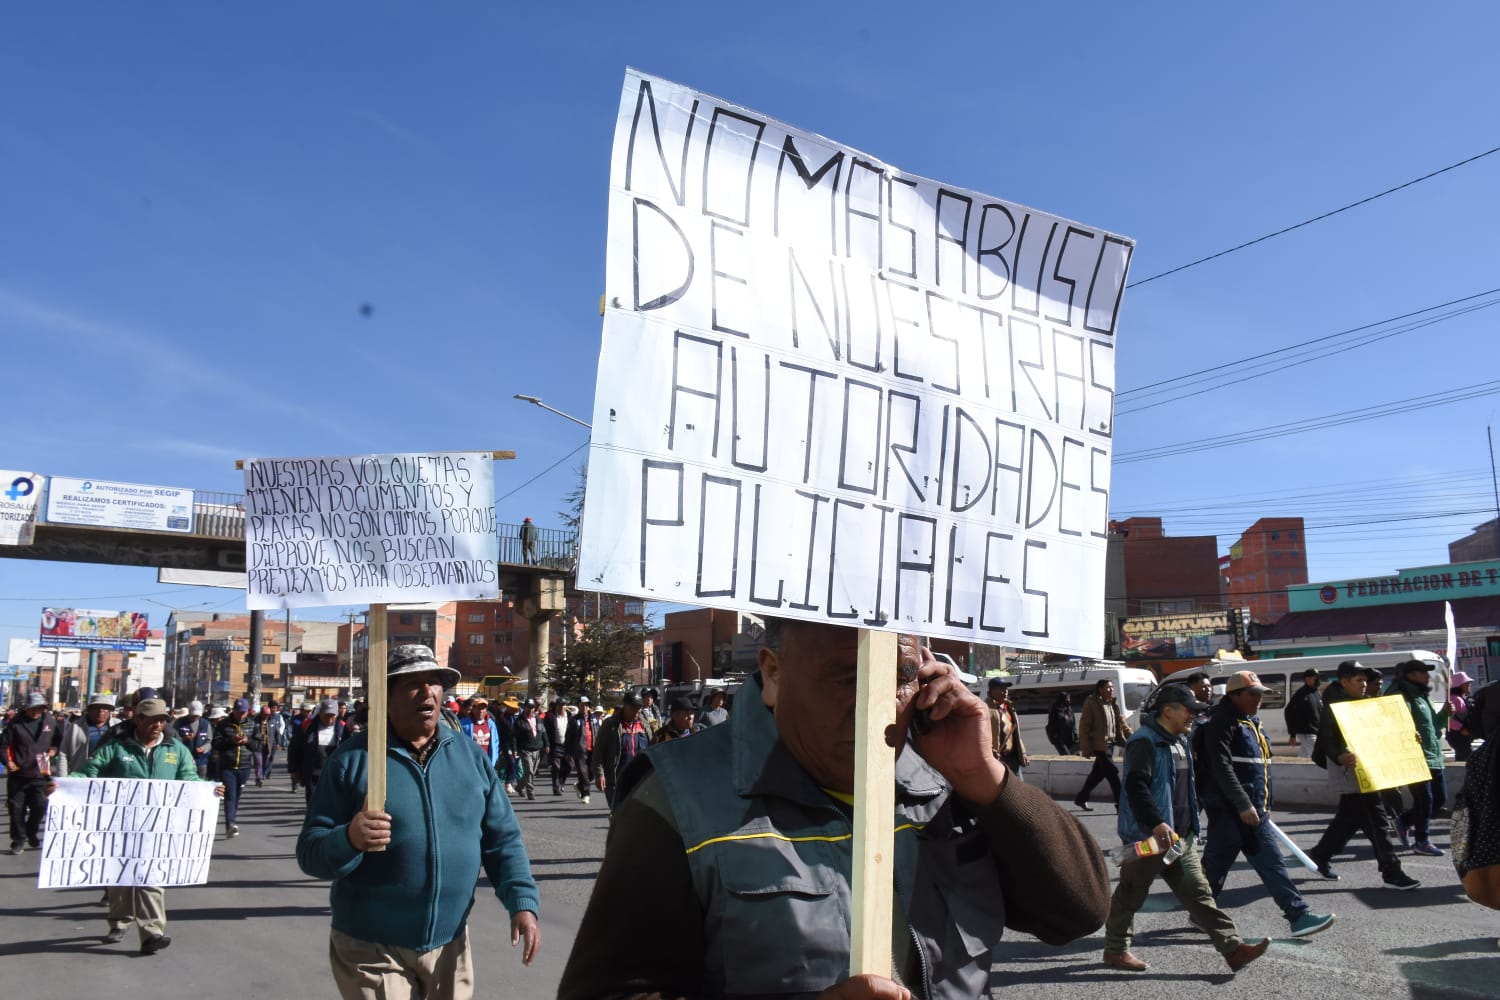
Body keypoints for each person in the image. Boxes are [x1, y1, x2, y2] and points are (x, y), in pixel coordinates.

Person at [558, 619, 1110, 998]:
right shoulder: (676, 800)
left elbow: (1079, 911)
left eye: (895, 677)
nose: (876, 704)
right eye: (849, 677)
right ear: (773, 674)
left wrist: (986, 778)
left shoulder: (946, 779)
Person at [297, 644, 540, 998]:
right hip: (372, 946)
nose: (428, 692)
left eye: (435, 682)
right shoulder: (353, 761)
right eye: (413, 683)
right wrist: (348, 838)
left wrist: (522, 902)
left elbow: (502, 840)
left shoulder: (470, 757)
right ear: (386, 696)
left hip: (450, 943)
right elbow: (310, 852)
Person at [1102, 684, 1270, 974]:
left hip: (1181, 839)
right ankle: (1115, 950)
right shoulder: (1144, 742)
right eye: (1189, 710)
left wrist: (1191, 826)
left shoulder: (1180, 741)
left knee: (1199, 893)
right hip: (1151, 839)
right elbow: (1136, 786)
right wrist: (1156, 823)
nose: (1194, 715)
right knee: (1131, 893)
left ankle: (1233, 949)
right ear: (1168, 711)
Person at [68, 697, 221, 954]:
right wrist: (65, 785)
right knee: (120, 879)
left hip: (157, 828)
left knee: (151, 877)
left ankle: (152, 932)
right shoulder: (117, 748)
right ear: (138, 720)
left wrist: (210, 790)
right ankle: (119, 920)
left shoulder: (175, 750)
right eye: (151, 720)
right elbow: (89, 771)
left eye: (162, 720)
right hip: (119, 826)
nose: (157, 725)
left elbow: (190, 780)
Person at [1196, 671, 1335, 938]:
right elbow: (1221, 767)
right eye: (1253, 694)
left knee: (1272, 864)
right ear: (1234, 695)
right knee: (1214, 869)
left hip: (1254, 813)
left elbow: (1259, 770)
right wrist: (1242, 804)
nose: (1259, 699)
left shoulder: (1251, 721)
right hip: (1229, 812)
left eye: (1260, 695)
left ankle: (1299, 916)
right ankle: (1200, 912)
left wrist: (1263, 804)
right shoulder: (1221, 723)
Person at [1306, 660, 1421, 889]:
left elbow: (1386, 732)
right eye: (1359, 680)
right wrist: (1339, 756)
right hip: (1351, 772)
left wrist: (1409, 737)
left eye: (1365, 680)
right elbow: (1327, 739)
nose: (1364, 684)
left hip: (1369, 769)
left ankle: (1320, 855)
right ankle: (1391, 871)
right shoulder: (1334, 705)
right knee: (1376, 819)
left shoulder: (1368, 703)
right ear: (1344, 681)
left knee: (1348, 820)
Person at [1385, 659, 1447, 856]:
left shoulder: (1423, 696)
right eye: (1423, 672)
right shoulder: (1400, 695)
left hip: (1433, 754)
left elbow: (1434, 727)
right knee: (1424, 799)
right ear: (1410, 675)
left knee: (1439, 799)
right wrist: (1406, 734)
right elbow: (1394, 723)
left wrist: (1445, 713)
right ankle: (1422, 840)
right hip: (1413, 755)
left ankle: (1404, 821)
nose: (1427, 676)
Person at [2, 692, 61, 854]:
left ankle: (31, 831)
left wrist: (53, 750)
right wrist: (8, 762)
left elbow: (57, 740)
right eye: (33, 708)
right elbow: (2, 746)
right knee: (16, 809)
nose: (36, 712)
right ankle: (18, 839)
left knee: (40, 806)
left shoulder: (50, 721)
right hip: (19, 774)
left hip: (41, 773)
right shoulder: (15, 724)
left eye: (40, 708)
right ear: (26, 709)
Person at [1075, 678, 1131, 810]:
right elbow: (1084, 726)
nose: (1111, 690)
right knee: (1113, 774)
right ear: (1100, 689)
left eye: (1112, 687)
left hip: (1110, 745)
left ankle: (1081, 798)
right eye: (1108, 687)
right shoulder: (1091, 703)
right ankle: (1121, 805)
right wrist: (1086, 748)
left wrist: (1131, 738)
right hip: (1100, 746)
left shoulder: (1112, 703)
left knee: (1097, 775)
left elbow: (1121, 724)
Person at [212, 697, 263, 838]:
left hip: (245, 766)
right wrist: (231, 741)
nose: (241, 715)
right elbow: (216, 744)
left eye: (244, 712)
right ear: (233, 710)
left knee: (237, 796)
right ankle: (230, 824)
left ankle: (232, 820)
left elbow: (258, 745)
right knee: (230, 795)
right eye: (238, 712)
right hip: (227, 765)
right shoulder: (223, 725)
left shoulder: (252, 725)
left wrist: (247, 741)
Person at [592, 690, 649, 810]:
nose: (637, 711)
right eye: (634, 707)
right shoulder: (611, 725)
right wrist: (599, 774)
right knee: (619, 814)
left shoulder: (645, 725)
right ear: (625, 706)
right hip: (617, 780)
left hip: (640, 780)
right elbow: (598, 751)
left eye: (639, 707)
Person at [287, 699, 348, 803]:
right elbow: (294, 748)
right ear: (320, 714)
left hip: (335, 775)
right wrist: (294, 770)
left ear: (337, 715)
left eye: (332, 716)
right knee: (313, 803)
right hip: (313, 775)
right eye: (326, 716)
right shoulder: (307, 727)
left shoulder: (343, 728)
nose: (329, 720)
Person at [987, 677, 1028, 778]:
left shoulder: (1010, 707)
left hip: (1013, 757)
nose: (1005, 691)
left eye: (1006, 688)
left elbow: (1016, 734)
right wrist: (990, 750)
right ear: (992, 690)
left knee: (1019, 787)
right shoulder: (985, 708)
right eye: (1001, 688)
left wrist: (1023, 752)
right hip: (998, 758)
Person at [563, 695, 598, 803]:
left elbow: (599, 733)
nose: (585, 708)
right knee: (583, 773)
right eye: (582, 705)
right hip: (579, 751)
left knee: (593, 773)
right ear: (579, 706)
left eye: (586, 705)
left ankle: (579, 785)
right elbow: (568, 736)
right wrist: (568, 752)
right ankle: (586, 794)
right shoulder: (574, 720)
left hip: (593, 749)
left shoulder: (594, 719)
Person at [512, 698, 548, 801]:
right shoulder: (519, 721)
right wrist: (515, 749)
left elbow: (544, 733)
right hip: (525, 749)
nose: (530, 710)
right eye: (528, 707)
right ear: (524, 708)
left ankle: (519, 787)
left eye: (532, 707)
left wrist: (547, 744)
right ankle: (530, 792)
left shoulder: (538, 719)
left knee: (531, 773)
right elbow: (514, 736)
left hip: (537, 749)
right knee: (529, 771)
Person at [1284, 668, 1323, 758]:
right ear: (1307, 679)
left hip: (1315, 731)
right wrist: (1292, 734)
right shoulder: (1301, 694)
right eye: (1315, 678)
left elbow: (1319, 712)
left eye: (1318, 678)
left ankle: (1297, 771)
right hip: (1307, 732)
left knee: (1303, 757)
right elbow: (1289, 712)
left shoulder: (1317, 693)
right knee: (1317, 756)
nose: (1318, 680)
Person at [173, 700, 213, 779]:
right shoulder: (179, 722)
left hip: (201, 761)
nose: (195, 718)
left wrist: (204, 748)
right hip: (184, 759)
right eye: (193, 715)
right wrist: (184, 739)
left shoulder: (206, 724)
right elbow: (173, 739)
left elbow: (209, 741)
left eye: (197, 716)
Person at [459, 697, 501, 770]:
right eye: (479, 708)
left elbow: (495, 742)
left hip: (487, 763)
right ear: (473, 709)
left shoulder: (491, 725)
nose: (481, 711)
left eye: (483, 708)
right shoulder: (463, 724)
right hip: (470, 763)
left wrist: (494, 759)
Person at [1448, 671, 1476, 761]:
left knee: (1466, 756)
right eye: (1466, 684)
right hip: (1457, 735)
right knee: (1465, 757)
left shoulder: (1461, 698)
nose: (1469, 686)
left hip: (1462, 735)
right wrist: (1461, 729)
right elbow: (1449, 719)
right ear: (1459, 686)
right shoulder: (1455, 699)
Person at [546, 698, 572, 794]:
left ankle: (561, 782)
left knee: (569, 766)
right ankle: (556, 788)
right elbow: (546, 732)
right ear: (556, 706)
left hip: (567, 746)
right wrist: (547, 744)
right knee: (556, 767)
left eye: (564, 705)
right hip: (555, 745)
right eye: (560, 705)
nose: (562, 707)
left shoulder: (569, 716)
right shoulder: (550, 716)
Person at [1045, 691, 1077, 755]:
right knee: (1066, 756)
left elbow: (1073, 723)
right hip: (1059, 739)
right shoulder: (1055, 709)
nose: (1069, 700)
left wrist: (1075, 734)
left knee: (1074, 755)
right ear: (1063, 699)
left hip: (1070, 738)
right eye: (1068, 698)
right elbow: (1051, 724)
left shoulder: (1069, 709)